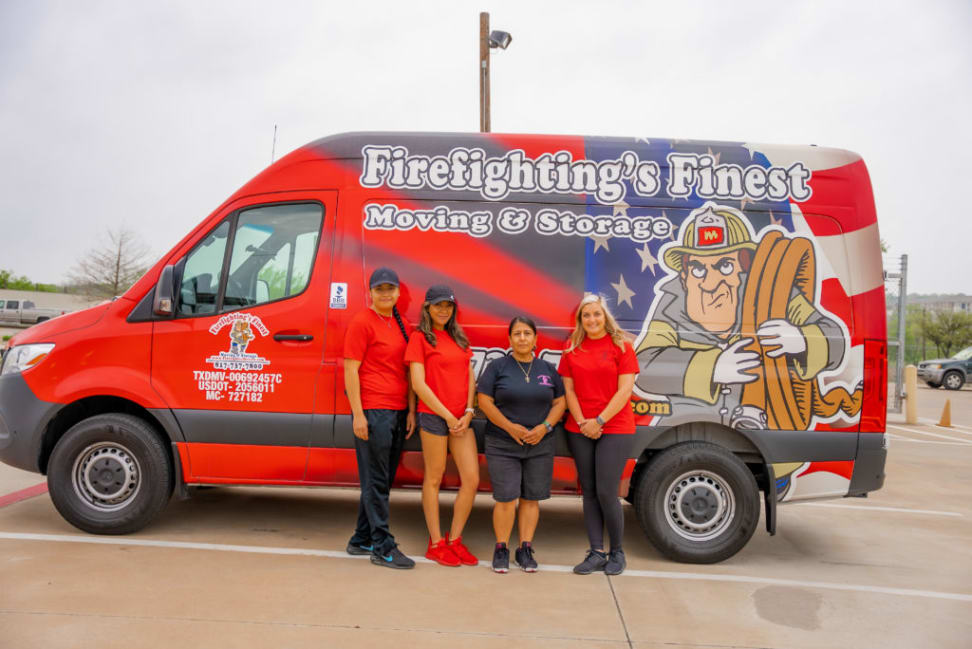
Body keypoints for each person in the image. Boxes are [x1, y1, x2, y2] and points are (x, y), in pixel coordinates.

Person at [477, 316, 566, 573]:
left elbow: (560, 402)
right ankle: (501, 548)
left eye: (527, 333)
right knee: (506, 498)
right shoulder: (497, 367)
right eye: (517, 334)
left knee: (531, 498)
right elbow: (484, 401)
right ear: (510, 339)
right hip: (502, 442)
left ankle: (525, 549)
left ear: (536, 339)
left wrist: (545, 427)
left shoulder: (548, 370)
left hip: (540, 443)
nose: (523, 338)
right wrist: (509, 427)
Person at [559, 294, 639, 576]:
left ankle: (617, 552)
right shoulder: (571, 347)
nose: (592, 319)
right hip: (580, 427)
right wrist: (583, 422)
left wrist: (600, 420)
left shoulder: (622, 346)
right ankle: (596, 552)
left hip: (615, 427)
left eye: (596, 314)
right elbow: (568, 390)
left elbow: (625, 390)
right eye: (586, 315)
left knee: (607, 491)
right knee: (590, 491)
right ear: (580, 320)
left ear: (605, 316)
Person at [344, 267, 417, 569]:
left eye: (390, 288)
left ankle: (361, 538)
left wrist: (410, 409)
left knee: (382, 479)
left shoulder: (401, 324)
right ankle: (382, 547)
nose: (385, 293)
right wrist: (358, 414)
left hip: (397, 410)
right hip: (373, 410)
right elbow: (350, 370)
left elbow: (408, 370)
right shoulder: (362, 322)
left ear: (399, 292)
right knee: (375, 480)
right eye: (379, 289)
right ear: (370, 292)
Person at [405, 285, 480, 567]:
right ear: (427, 308)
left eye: (448, 306)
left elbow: (470, 376)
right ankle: (435, 543)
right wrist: (447, 416)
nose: (443, 311)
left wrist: (469, 412)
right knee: (434, 479)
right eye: (437, 306)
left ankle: (454, 540)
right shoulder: (420, 339)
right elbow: (418, 384)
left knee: (471, 479)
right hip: (435, 417)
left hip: (462, 419)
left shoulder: (458, 338)